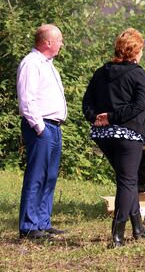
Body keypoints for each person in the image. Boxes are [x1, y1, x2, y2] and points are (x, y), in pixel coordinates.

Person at [82, 28, 145, 248]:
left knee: (127, 179)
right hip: (128, 135)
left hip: (103, 136)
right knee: (127, 181)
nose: (142, 54)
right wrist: (113, 117)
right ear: (134, 51)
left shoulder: (100, 72)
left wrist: (98, 118)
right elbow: (139, 105)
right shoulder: (139, 74)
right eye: (141, 49)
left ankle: (138, 227)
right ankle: (118, 234)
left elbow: (87, 103)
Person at [17, 24, 67, 239]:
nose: (61, 44)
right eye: (59, 41)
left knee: (50, 175)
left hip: (54, 126)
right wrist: (39, 128)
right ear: (48, 42)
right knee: (37, 175)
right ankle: (28, 225)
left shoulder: (48, 65)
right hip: (41, 126)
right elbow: (27, 99)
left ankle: (42, 221)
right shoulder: (31, 63)